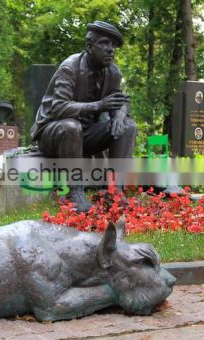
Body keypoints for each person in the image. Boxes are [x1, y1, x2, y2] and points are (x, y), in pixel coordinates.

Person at [30, 21, 137, 212]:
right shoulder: (69, 68)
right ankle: (74, 193)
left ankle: (115, 192)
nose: (110, 50)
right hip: (54, 133)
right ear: (89, 46)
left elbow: (120, 101)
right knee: (72, 126)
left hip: (86, 135)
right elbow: (59, 108)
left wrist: (120, 116)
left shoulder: (113, 72)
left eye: (113, 46)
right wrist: (98, 106)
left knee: (128, 126)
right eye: (105, 43)